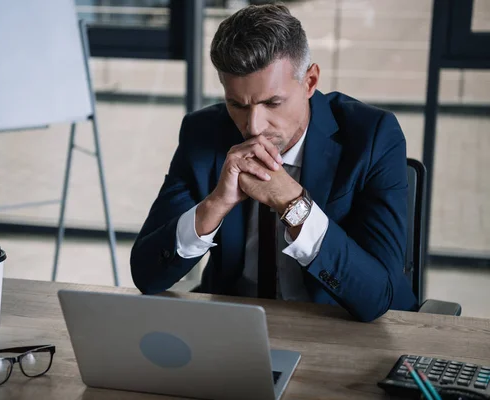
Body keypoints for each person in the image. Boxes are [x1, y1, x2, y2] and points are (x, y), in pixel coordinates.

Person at [130, 3, 417, 322]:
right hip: (235, 329)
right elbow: (146, 274)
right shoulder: (204, 134)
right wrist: (216, 204)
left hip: (339, 325)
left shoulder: (373, 137)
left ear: (310, 81)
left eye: (272, 103)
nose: (254, 126)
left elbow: (378, 296)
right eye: (237, 105)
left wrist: (293, 204)